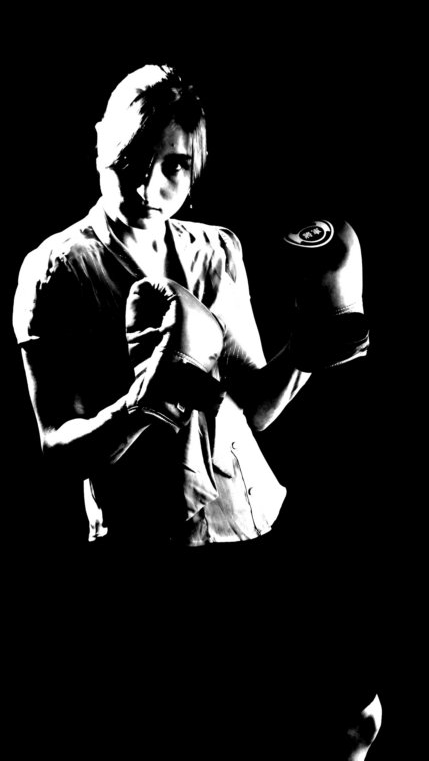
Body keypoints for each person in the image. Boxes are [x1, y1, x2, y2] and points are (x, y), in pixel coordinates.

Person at [12, 64, 381, 759]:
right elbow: (55, 448)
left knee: (353, 718)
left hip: (253, 524)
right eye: (136, 157)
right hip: (147, 553)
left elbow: (254, 410)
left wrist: (310, 347)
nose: (153, 183)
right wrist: (140, 405)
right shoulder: (57, 270)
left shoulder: (215, 250)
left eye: (177, 164)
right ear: (103, 144)